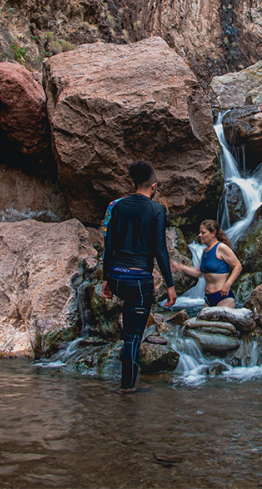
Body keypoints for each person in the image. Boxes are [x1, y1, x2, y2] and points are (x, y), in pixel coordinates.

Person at [101, 161, 176, 394]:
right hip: (140, 280)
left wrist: (105, 278)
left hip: (116, 277)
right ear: (153, 186)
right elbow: (160, 250)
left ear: (133, 184)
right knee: (132, 337)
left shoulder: (114, 206)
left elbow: (108, 245)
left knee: (128, 330)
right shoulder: (157, 210)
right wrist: (170, 285)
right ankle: (127, 388)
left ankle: (125, 383)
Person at [171, 219, 242, 308]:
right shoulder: (205, 251)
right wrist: (179, 266)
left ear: (213, 233)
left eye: (203, 232)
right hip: (207, 298)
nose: (199, 235)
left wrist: (228, 284)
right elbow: (199, 272)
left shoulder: (221, 248)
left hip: (223, 297)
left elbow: (238, 266)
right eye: (200, 232)